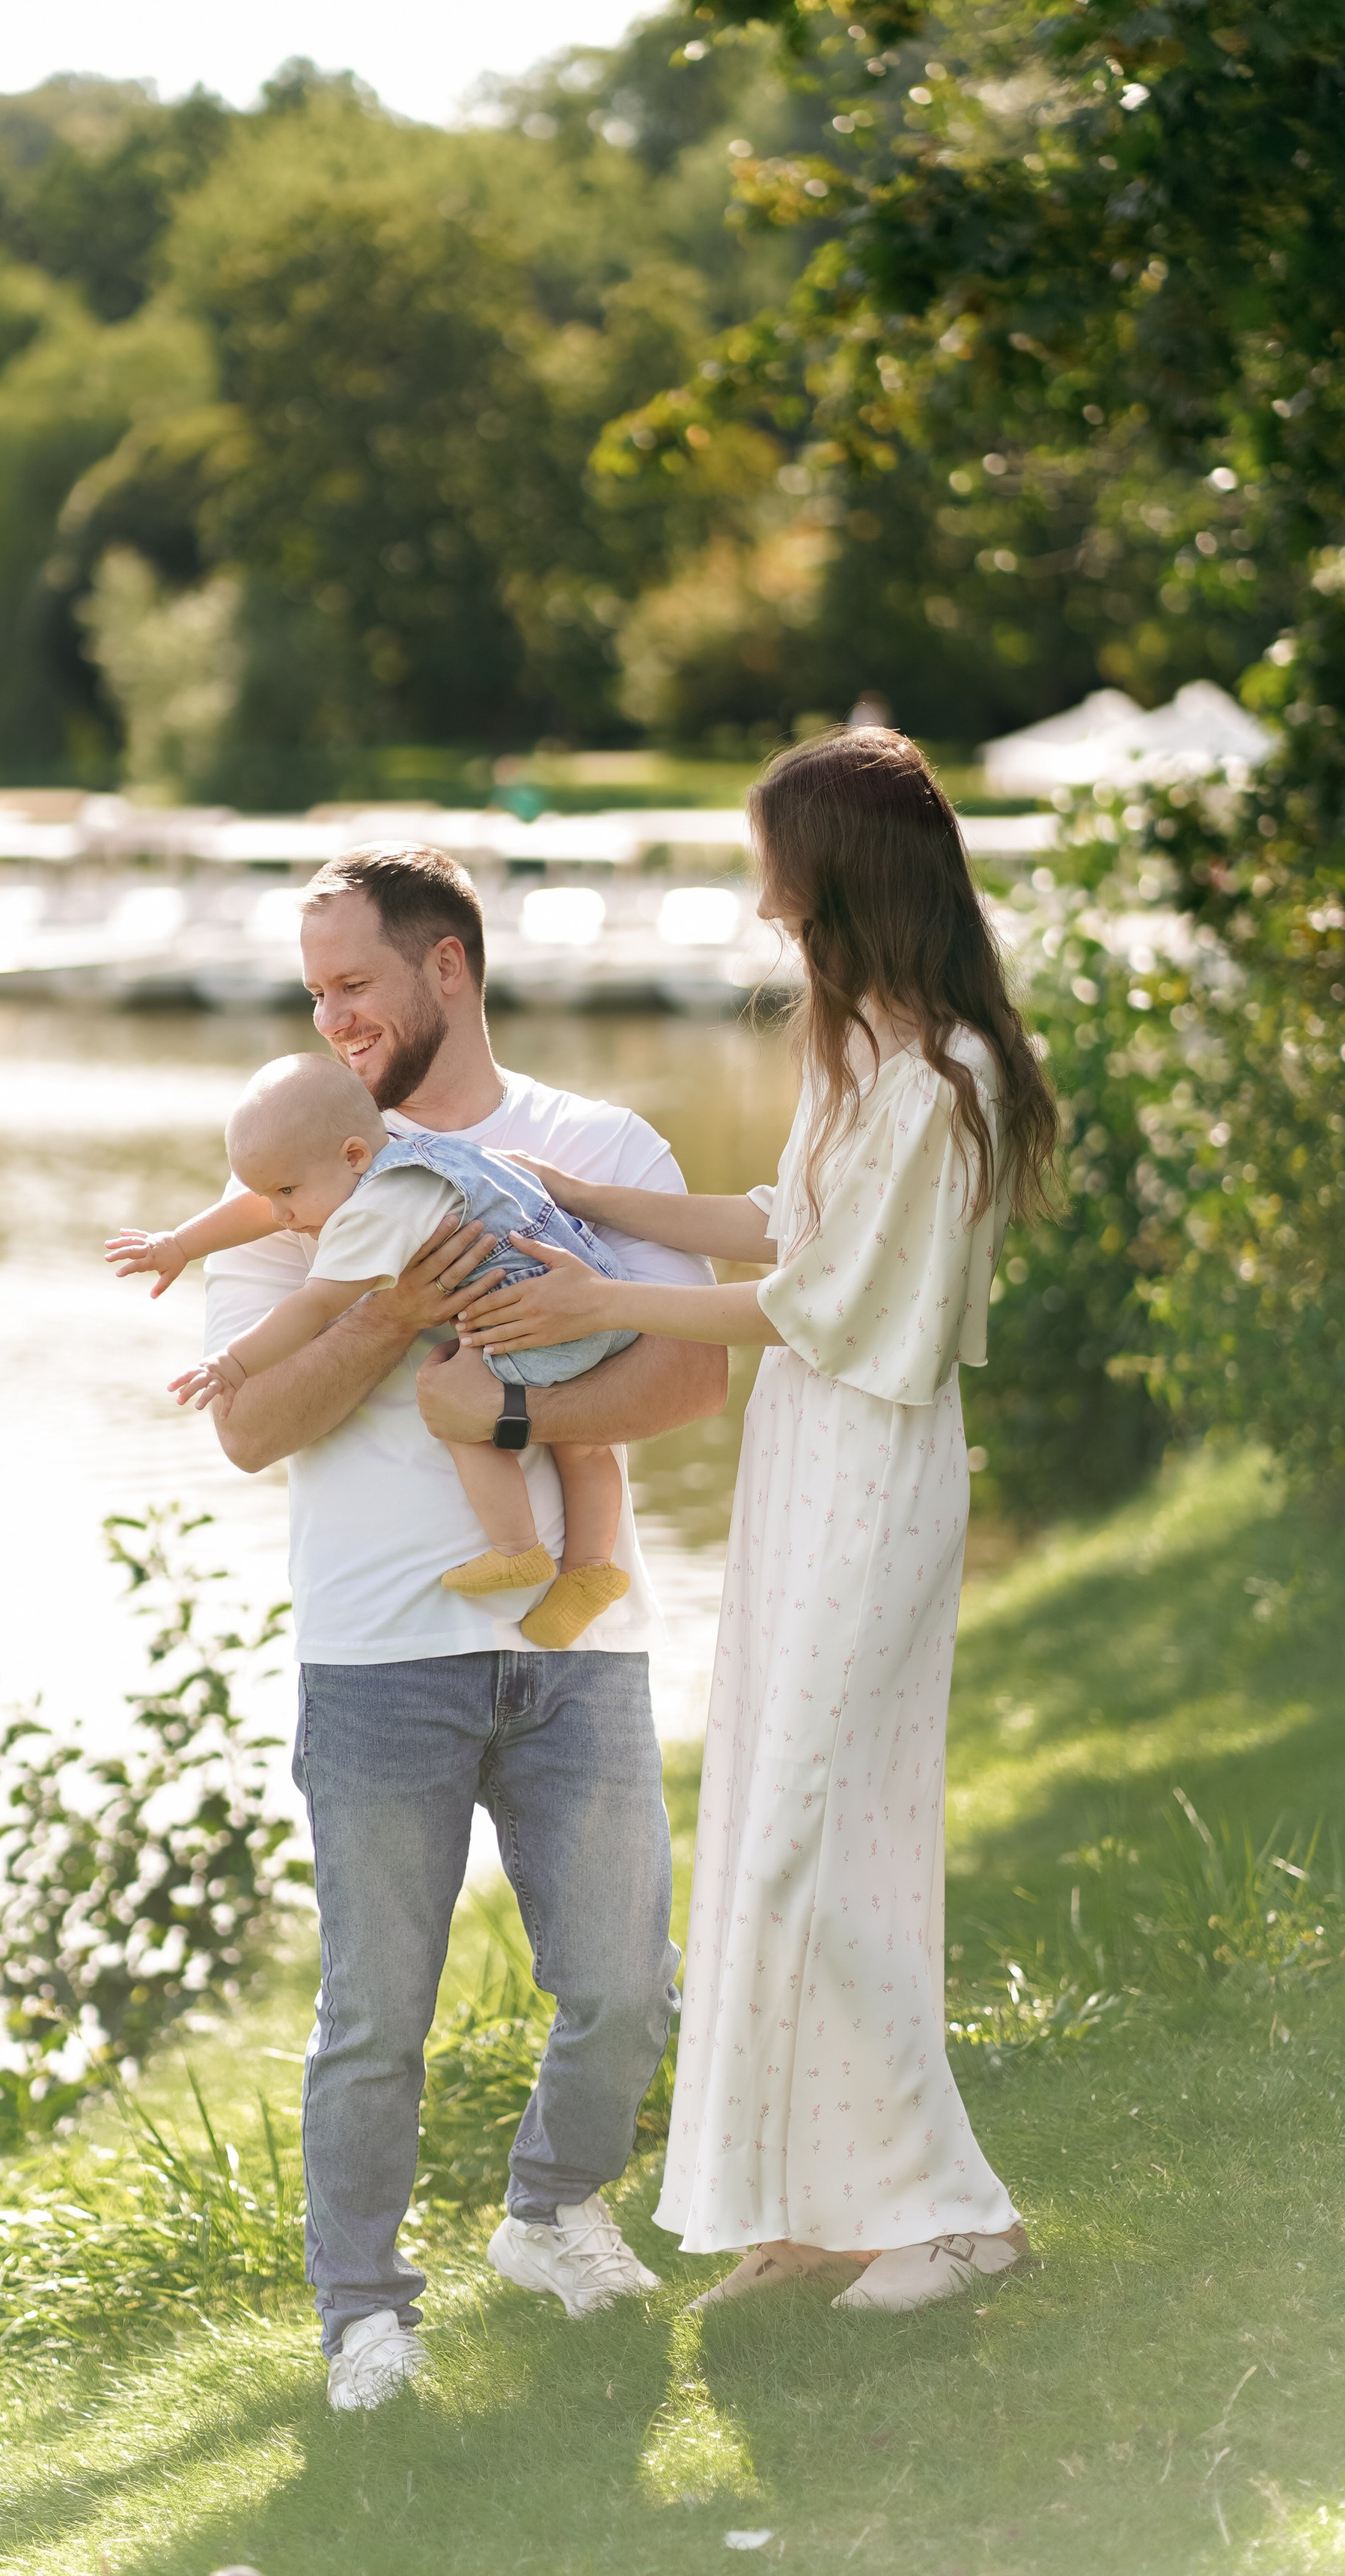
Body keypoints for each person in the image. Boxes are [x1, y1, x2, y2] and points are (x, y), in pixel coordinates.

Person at [457, 727, 1059, 2316]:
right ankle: (809, 2202)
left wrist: (594, 1297)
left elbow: (831, 1302)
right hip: (802, 1458)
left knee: (811, 1834)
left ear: (839, 873)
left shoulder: (949, 1080)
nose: (760, 895)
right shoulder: (859, 1052)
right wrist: (590, 1207)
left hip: (871, 1460)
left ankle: (952, 2212)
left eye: (774, 862)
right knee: (763, 1838)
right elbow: (777, 1227)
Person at [148, 843, 726, 2409]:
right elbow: (250, 1426)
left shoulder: (591, 1141)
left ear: (446, 970)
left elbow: (689, 1373)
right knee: (370, 2018)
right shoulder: (299, 1160)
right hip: (373, 1657)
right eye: (313, 991)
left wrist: (517, 1415)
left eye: (354, 985)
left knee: (622, 1986)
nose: (333, 1017)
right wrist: (391, 1315)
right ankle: (362, 2314)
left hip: (573, 1643)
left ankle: (548, 2212)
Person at [111, 1053, 642, 1645]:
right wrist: (180, 1243)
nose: (283, 1216)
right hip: (600, 1302)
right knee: (586, 1445)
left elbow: (312, 1306)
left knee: (456, 1404)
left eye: (288, 1193)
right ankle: (591, 1567)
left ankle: (517, 1548)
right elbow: (262, 1206)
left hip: (526, 1321)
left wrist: (233, 1363)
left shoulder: (376, 1208)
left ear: (354, 1158)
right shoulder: (418, 1154)